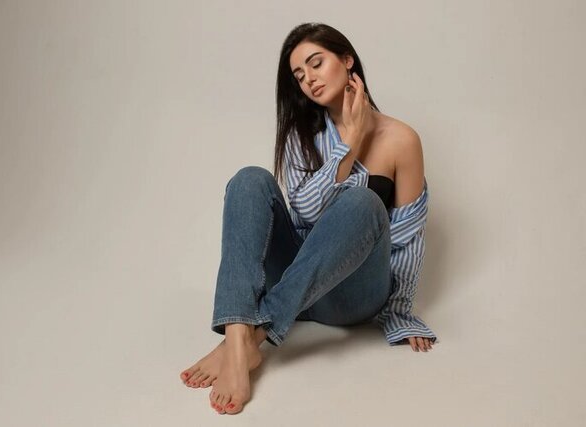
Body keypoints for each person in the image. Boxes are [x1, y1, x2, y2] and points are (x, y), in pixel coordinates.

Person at [179, 22, 438, 415]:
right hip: (294, 280)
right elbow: (306, 213)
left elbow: (407, 237)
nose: (309, 79)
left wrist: (400, 312)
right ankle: (237, 336)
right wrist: (348, 144)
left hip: (352, 295)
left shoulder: (402, 139)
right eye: (299, 75)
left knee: (363, 203)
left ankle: (252, 338)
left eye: (316, 63)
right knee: (249, 179)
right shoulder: (301, 134)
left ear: (347, 60)